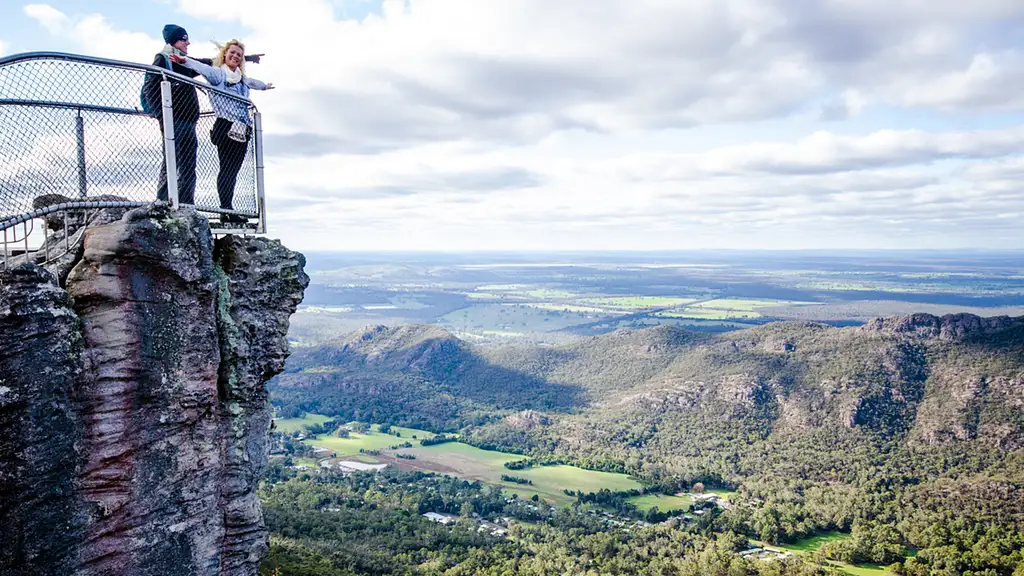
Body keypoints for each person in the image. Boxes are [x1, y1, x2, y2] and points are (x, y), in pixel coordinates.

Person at [142, 25, 264, 207]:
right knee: (172, 161)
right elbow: (150, 88)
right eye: (184, 39)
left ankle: (186, 205)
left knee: (188, 166)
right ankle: (162, 203)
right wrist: (162, 115)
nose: (188, 42)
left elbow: (209, 63)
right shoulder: (164, 59)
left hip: (189, 119)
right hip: (173, 119)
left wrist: (247, 58)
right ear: (174, 40)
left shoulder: (184, 61)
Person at [170, 40, 274, 223]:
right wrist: (183, 61)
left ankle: (228, 209)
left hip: (242, 128)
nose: (235, 56)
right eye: (232, 53)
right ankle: (226, 210)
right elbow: (202, 68)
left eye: (239, 55)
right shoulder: (218, 75)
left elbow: (253, 83)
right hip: (226, 126)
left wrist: (265, 86)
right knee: (226, 169)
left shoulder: (241, 78)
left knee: (232, 170)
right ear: (224, 54)